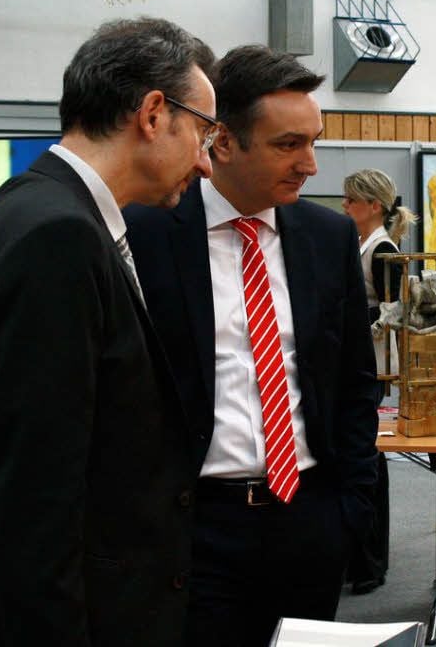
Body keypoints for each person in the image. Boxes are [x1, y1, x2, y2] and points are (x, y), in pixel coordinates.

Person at [0, 18, 216, 645]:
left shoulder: (24, 206)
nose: (206, 163)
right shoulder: (60, 236)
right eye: (204, 132)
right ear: (154, 114)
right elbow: (36, 495)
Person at [124, 45, 380, 646]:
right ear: (222, 141)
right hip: (195, 524)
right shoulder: (145, 232)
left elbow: (353, 382)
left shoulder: (327, 236)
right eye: (288, 145)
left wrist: (349, 510)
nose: (309, 165)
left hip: (309, 519)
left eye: (313, 142)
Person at [340, 168, 417, 594]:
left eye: (351, 199)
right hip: (357, 363)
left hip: (370, 365)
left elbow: (397, 310)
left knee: (368, 459)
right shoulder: (363, 245)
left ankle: (370, 561)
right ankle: (359, 558)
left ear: (373, 206)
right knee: (362, 458)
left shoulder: (382, 249)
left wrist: (359, 324)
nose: (345, 206)